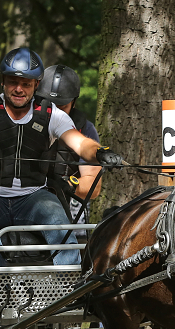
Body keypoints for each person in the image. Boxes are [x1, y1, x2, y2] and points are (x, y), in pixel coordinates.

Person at [0, 48, 121, 264]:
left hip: (33, 196)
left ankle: (68, 289)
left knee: (60, 224)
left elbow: (80, 142)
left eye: (26, 84)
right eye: (13, 82)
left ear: (36, 85)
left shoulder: (51, 114)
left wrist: (100, 153)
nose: (19, 89)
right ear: (3, 81)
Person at [37, 64, 102, 236]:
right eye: (50, 105)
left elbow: (93, 187)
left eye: (62, 107)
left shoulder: (85, 130)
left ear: (74, 102)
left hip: (59, 209)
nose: (55, 113)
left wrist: (69, 185)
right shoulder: (22, 119)